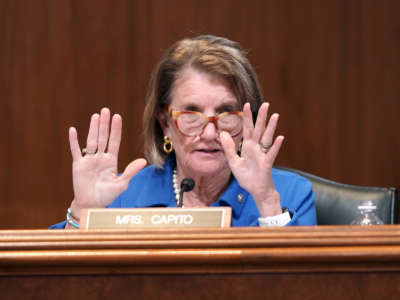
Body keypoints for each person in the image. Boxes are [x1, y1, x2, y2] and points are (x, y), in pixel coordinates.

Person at [51, 35, 316, 229]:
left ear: (248, 123)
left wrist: (267, 204)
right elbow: (58, 285)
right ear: (164, 122)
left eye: (226, 113)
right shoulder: (122, 197)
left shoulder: (289, 194)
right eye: (191, 114)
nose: (210, 133)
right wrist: (82, 212)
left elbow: (306, 287)